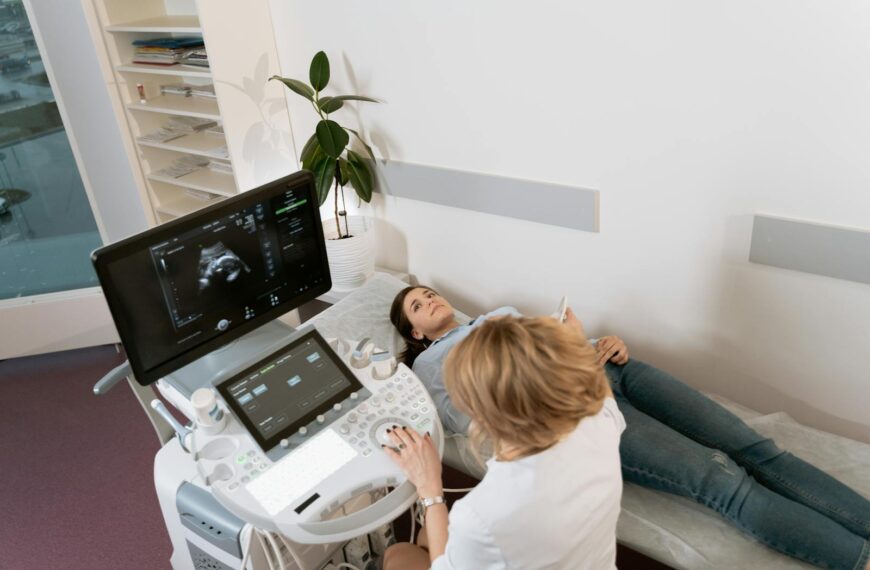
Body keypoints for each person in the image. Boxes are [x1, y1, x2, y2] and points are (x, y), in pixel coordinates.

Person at [389, 285, 870, 570]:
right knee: (723, 478)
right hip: (577, 397)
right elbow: (461, 414)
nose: (428, 299)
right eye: (416, 305)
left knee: (755, 446)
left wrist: (594, 345)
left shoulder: (498, 319)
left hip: (600, 374)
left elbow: (556, 352)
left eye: (428, 291)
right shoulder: (432, 365)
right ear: (414, 334)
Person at [382, 315, 625, 569]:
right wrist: (576, 344)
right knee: (425, 536)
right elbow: (599, 386)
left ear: (479, 410)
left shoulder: (482, 517)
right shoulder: (597, 421)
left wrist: (429, 488)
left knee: (399, 555)